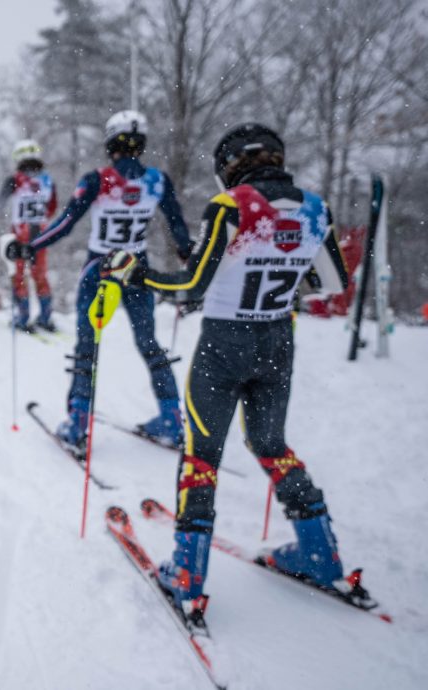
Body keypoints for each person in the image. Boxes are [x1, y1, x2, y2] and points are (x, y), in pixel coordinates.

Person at [101, 122, 368, 622]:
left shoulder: (232, 206)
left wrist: (137, 273)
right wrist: (283, 277)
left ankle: (188, 575)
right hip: (276, 341)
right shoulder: (314, 207)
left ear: (228, 165)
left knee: (201, 456)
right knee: (271, 446)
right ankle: (322, 553)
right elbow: (332, 280)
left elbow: (192, 285)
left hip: (224, 344)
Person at [10, 111, 193, 448]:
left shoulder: (98, 179)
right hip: (137, 268)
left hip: (100, 268)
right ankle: (171, 417)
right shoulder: (157, 180)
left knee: (87, 344)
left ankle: (78, 422)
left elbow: (66, 222)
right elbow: (177, 225)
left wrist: (30, 246)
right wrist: (187, 253)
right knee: (149, 342)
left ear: (111, 144)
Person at [0, 139, 58, 332]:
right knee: (40, 275)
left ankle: (23, 316)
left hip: (20, 233)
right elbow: (52, 208)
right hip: (41, 234)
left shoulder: (15, 180)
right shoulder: (47, 180)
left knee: (19, 275)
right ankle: (45, 316)